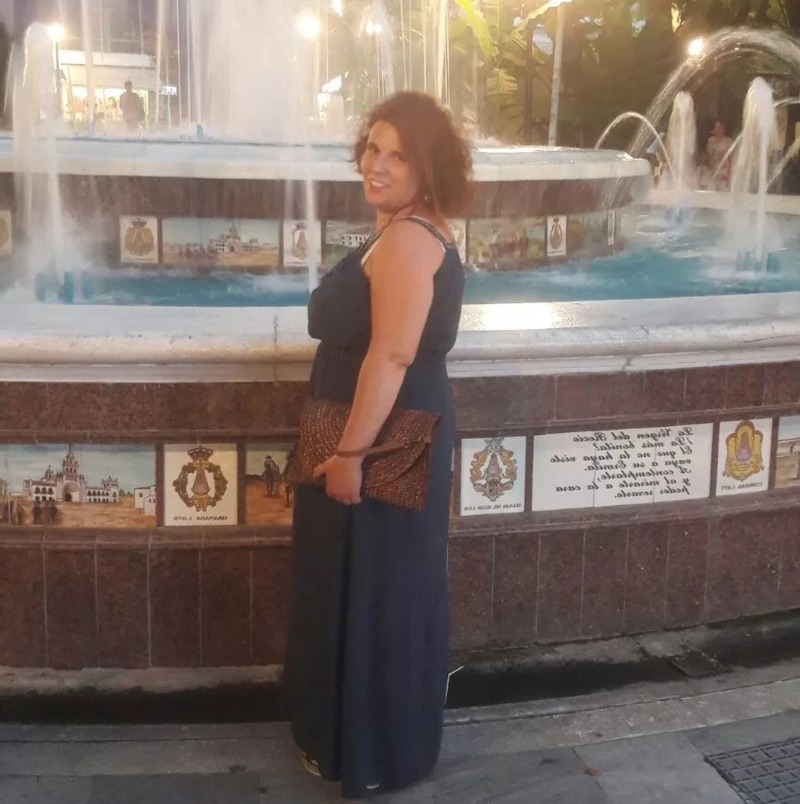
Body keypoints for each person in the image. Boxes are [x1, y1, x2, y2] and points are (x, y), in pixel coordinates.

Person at [283, 91, 472, 799]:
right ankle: (368, 741)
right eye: (373, 148)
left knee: (374, 588)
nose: (379, 165)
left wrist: (351, 457)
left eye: (399, 155)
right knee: (371, 583)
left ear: (429, 168)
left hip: (377, 439)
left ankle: (372, 750)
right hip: (379, 427)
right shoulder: (407, 229)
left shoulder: (408, 240)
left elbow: (391, 355)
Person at [706, 120, 734, 190]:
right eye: (716, 127)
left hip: (724, 171)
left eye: (720, 127)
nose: (717, 129)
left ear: (724, 129)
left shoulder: (728, 141)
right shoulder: (710, 141)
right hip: (713, 170)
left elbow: (731, 159)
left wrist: (729, 174)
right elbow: (709, 157)